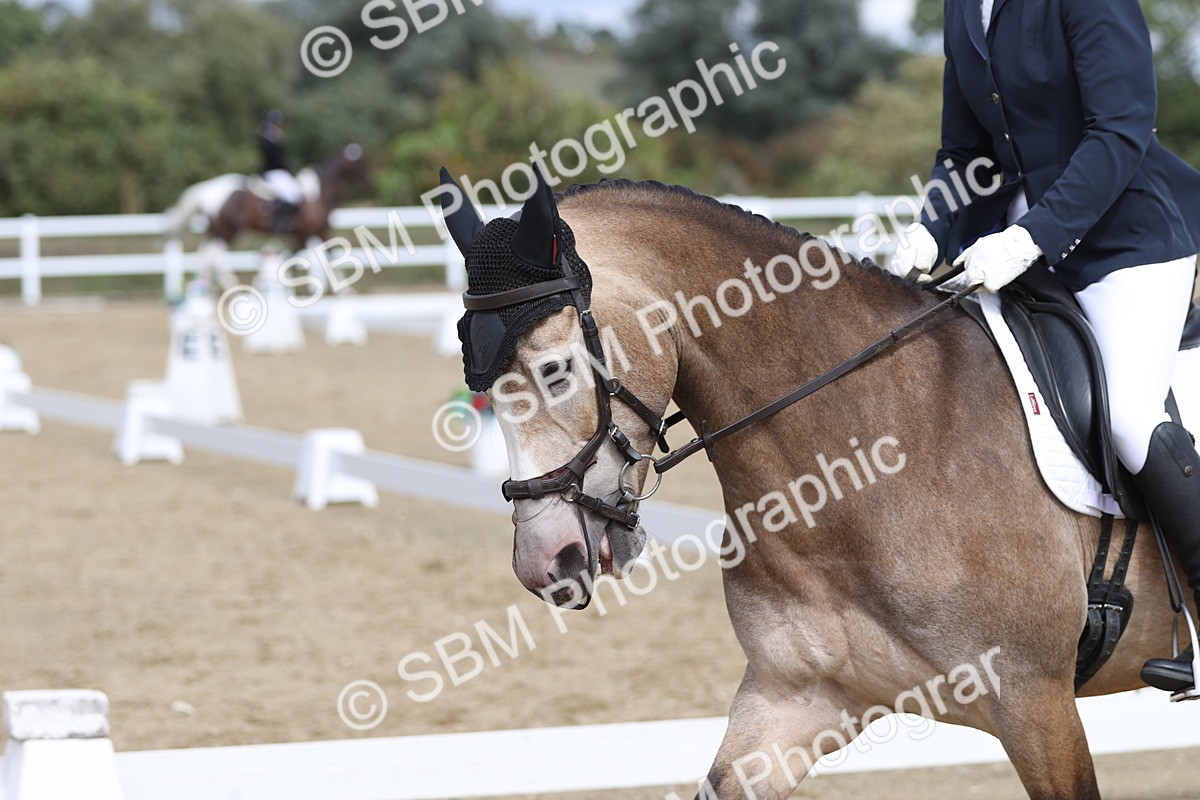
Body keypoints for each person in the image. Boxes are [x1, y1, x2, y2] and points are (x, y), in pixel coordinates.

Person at [890, 0, 1200, 692]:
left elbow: (1119, 130)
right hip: (1014, 242)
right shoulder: (964, 7)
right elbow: (966, 153)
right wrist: (933, 230)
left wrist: (1032, 237)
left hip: (1127, 240)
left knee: (1129, 416)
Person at [258, 109, 303, 232]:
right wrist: (287, 167)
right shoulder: (268, 139)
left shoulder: (275, 137)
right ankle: (278, 221)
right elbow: (276, 159)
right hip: (273, 172)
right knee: (292, 196)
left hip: (279, 172)